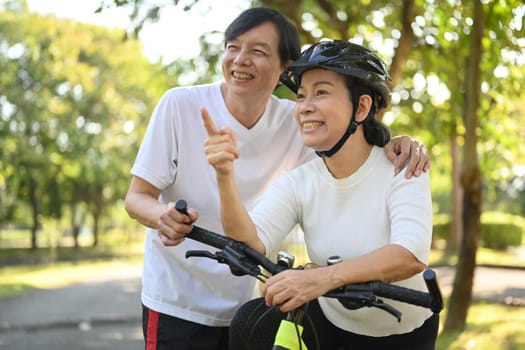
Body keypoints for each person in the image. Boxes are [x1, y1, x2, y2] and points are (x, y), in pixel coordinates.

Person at [124, 7, 430, 350]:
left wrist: (402, 142)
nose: (240, 59)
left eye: (257, 51)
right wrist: (223, 175)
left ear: (283, 67)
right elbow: (249, 240)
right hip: (180, 294)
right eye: (232, 47)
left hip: (395, 327)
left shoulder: (304, 126)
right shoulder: (182, 106)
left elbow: (407, 248)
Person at [202, 39, 438, 349]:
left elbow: (409, 256)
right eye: (301, 96)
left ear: (362, 107)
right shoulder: (299, 182)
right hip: (331, 325)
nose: (304, 106)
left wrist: (321, 278)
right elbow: (250, 241)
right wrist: (224, 175)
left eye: (321, 92)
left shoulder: (402, 168)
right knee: (252, 320)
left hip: (404, 332)